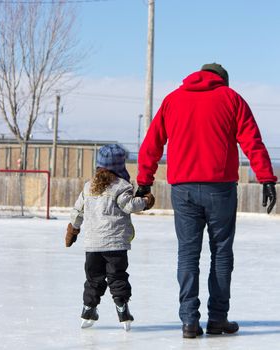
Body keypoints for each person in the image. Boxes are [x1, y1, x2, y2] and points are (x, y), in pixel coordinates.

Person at [136, 63, 277, 338]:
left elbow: (152, 142)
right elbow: (252, 140)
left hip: (183, 189)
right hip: (220, 189)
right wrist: (266, 177)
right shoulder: (231, 98)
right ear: (222, 80)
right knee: (221, 253)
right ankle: (217, 319)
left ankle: (189, 321)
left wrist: (144, 180)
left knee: (187, 254)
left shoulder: (173, 100)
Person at [65, 143, 155, 331]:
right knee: (117, 277)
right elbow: (130, 205)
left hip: (93, 245)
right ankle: (122, 310)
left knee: (93, 279)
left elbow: (78, 210)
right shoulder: (122, 186)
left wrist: (73, 229)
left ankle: (88, 309)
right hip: (115, 245)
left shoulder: (89, 187)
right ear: (120, 167)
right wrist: (146, 201)